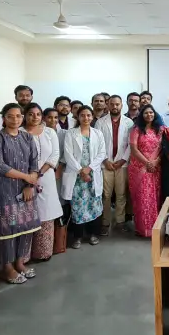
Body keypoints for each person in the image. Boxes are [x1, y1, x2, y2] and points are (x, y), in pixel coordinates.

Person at [0, 103, 40, 284]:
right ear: (4, 118)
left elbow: (34, 162)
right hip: (5, 190)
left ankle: (20, 263)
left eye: (18, 116)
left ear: (22, 117)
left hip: (26, 189)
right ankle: (7, 267)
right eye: (10, 116)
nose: (15, 119)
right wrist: (26, 177)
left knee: (26, 227)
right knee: (8, 229)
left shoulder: (27, 137)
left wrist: (29, 184)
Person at [23, 104, 63, 261]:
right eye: (31, 114)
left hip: (46, 177)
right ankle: (24, 256)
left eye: (38, 114)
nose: (35, 117)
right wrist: (30, 177)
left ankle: (43, 253)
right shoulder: (19, 133)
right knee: (26, 215)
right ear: (25, 115)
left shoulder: (49, 132)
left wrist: (39, 173)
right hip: (24, 179)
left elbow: (55, 155)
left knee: (46, 214)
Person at [62, 106, 106, 247]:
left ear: (92, 117)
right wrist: (81, 171)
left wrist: (89, 169)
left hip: (92, 174)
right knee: (78, 206)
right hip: (77, 176)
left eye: (88, 115)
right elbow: (68, 154)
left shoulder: (98, 133)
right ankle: (78, 237)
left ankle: (93, 234)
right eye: (82, 115)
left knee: (94, 205)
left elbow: (102, 153)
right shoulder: (71, 133)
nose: (86, 118)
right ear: (78, 117)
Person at [95, 95, 133, 235]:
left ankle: (120, 221)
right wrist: (105, 160)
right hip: (106, 164)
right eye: (112, 104)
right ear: (108, 105)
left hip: (122, 164)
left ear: (122, 105)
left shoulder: (129, 122)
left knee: (121, 194)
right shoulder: (100, 122)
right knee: (106, 195)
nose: (115, 107)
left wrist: (123, 160)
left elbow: (131, 144)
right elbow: (98, 144)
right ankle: (105, 222)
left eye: (117, 104)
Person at [129, 104, 164, 237]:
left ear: (154, 114)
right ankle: (143, 228)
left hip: (156, 168)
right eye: (146, 113)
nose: (149, 115)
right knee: (143, 198)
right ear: (141, 115)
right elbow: (134, 149)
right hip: (140, 168)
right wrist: (147, 163)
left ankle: (155, 228)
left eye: (151, 112)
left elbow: (163, 149)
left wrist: (156, 161)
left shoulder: (160, 130)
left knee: (155, 197)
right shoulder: (136, 129)